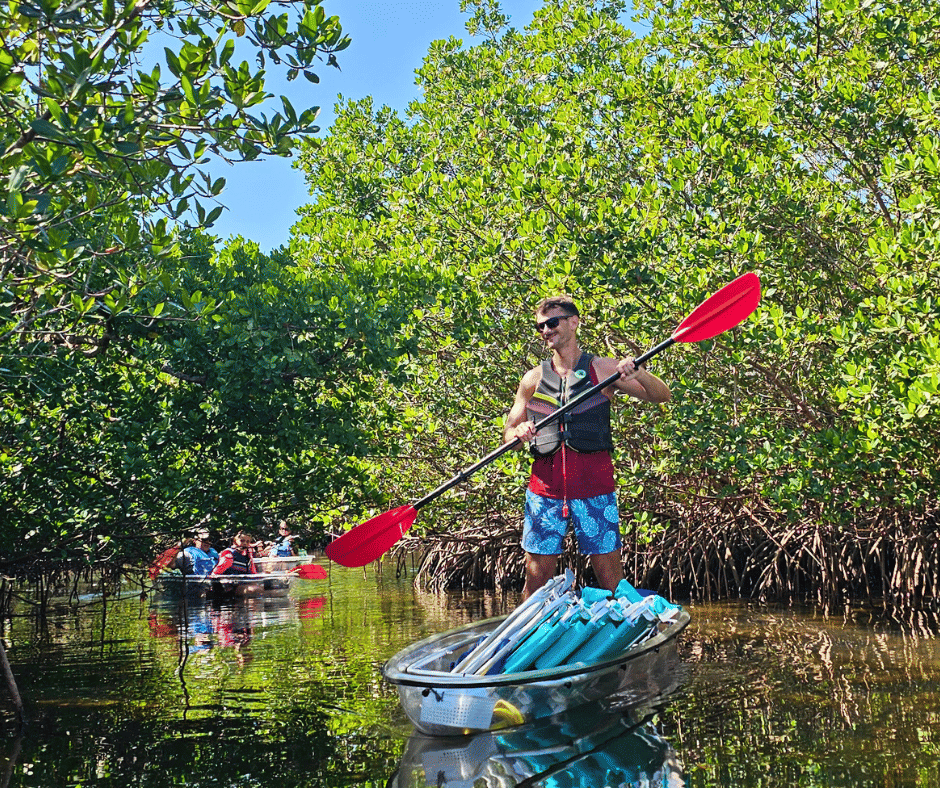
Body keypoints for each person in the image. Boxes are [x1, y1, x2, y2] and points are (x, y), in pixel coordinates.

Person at [503, 295, 671, 599]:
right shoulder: (532, 380)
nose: (545, 331)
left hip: (595, 490)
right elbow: (509, 435)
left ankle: (624, 634)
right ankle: (526, 640)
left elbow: (661, 395)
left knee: (611, 581)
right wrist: (519, 432)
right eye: (540, 326)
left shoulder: (604, 369)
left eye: (552, 323)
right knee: (535, 580)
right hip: (545, 493)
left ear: (573, 322)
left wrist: (640, 373)